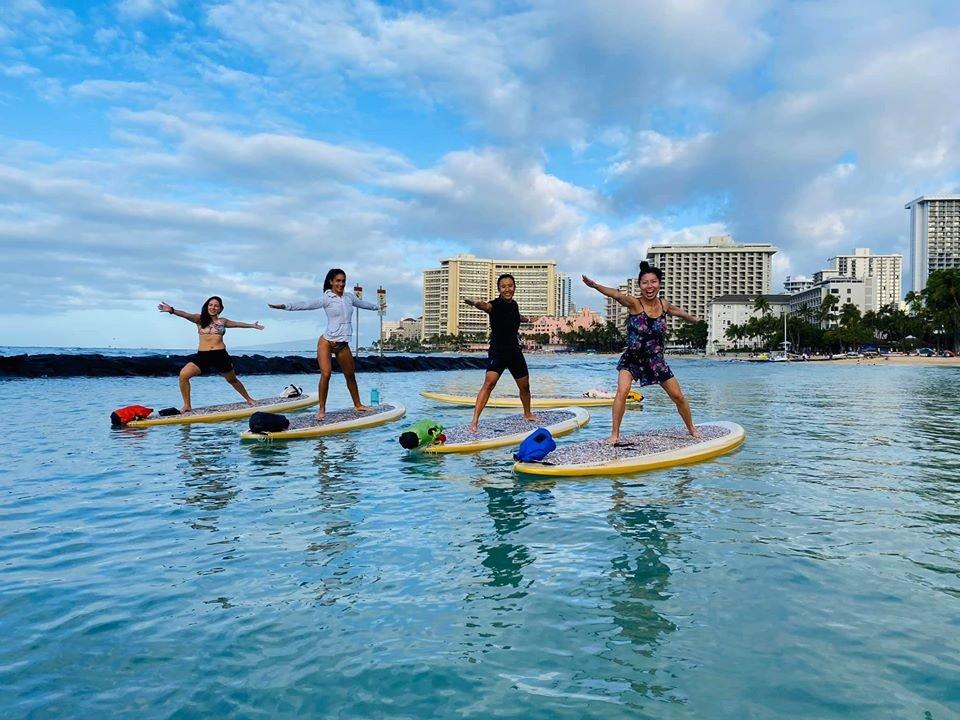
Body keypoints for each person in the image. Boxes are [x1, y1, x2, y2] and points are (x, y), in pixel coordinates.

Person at [582, 261, 701, 442]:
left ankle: (692, 428)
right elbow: (616, 294)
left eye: (653, 282)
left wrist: (694, 319)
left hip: (656, 361)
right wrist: (596, 286)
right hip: (632, 358)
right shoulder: (635, 304)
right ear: (640, 286)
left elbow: (679, 312)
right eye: (645, 282)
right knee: (622, 391)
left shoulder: (664, 305)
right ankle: (614, 435)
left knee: (678, 396)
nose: (649, 286)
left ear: (659, 284)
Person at [268, 268, 383, 421]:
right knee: (326, 374)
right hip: (327, 342)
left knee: (350, 375)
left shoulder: (349, 298)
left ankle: (358, 404)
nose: (341, 284)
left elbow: (363, 304)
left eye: (343, 281)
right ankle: (321, 410)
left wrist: (378, 307)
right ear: (331, 281)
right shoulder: (326, 298)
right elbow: (306, 304)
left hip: (342, 345)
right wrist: (284, 306)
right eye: (338, 281)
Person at [157, 296, 263, 412]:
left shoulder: (223, 321)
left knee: (232, 380)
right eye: (211, 305)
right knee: (184, 375)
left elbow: (237, 324)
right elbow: (186, 314)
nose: (213, 307)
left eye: (216, 305)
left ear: (220, 308)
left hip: (220, 355)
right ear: (207, 306)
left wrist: (252, 325)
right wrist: (172, 310)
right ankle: (187, 405)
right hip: (203, 356)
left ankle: (249, 399)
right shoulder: (199, 319)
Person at [463, 273, 536, 431]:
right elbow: (485, 306)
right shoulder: (494, 305)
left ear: (514, 287)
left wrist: (528, 320)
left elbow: (516, 316)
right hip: (498, 352)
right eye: (503, 286)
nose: (507, 289)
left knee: (525, 387)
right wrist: (475, 303)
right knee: (489, 384)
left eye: (510, 286)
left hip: (514, 352)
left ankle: (528, 414)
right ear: (499, 289)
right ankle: (474, 422)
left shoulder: (514, 305)